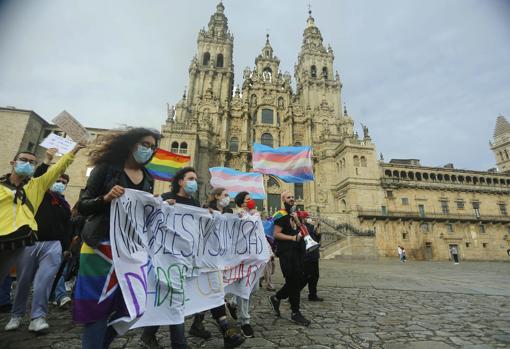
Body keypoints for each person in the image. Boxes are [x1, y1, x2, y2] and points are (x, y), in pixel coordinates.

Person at [73, 128, 168, 349]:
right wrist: (105, 198)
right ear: (131, 144)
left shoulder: (148, 179)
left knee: (135, 306)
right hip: (99, 247)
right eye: (145, 144)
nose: (149, 150)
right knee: (97, 309)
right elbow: (83, 206)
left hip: (130, 252)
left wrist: (159, 207)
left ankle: (102, 342)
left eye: (153, 147)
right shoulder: (106, 169)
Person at [144, 168, 244, 349]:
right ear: (180, 181)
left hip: (190, 258)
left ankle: (219, 331)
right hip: (168, 259)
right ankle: (159, 337)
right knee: (170, 297)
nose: (194, 182)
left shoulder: (195, 203)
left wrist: (211, 218)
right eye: (190, 178)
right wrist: (163, 205)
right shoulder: (166, 197)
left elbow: (198, 229)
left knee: (195, 293)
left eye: (196, 179)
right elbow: (150, 219)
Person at [6, 147, 73, 333]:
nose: (59, 184)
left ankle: (38, 317)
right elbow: (39, 175)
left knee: (44, 282)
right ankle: (16, 315)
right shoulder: (38, 192)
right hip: (31, 242)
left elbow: (67, 228)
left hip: (53, 246)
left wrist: (65, 246)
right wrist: (47, 161)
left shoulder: (64, 204)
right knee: (23, 281)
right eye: (57, 180)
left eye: (63, 182)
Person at [0, 145, 81, 286]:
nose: (27, 164)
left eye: (31, 162)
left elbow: (57, 169)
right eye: (23, 160)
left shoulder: (36, 186)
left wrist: (74, 151)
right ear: (13, 163)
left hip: (17, 240)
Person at [268, 191, 310, 326]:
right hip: (286, 253)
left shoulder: (295, 215)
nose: (291, 199)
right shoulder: (280, 215)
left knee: (299, 280)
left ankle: (276, 297)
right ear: (283, 200)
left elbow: (303, 231)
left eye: (293, 197)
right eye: (288, 197)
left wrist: (298, 221)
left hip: (298, 252)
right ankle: (295, 312)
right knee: (293, 281)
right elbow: (276, 234)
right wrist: (292, 238)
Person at [225, 191, 259, 338]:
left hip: (253, 258)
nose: (251, 201)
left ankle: (232, 302)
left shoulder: (254, 215)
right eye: (248, 199)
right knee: (245, 289)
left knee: (254, 288)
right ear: (241, 202)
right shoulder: (236, 214)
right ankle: (245, 321)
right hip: (241, 259)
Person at [300, 212, 323, 302]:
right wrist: (313, 227)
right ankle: (293, 293)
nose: (310, 219)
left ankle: (312, 295)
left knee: (315, 276)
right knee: (305, 277)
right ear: (304, 218)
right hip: (307, 256)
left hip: (314, 256)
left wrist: (317, 233)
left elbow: (316, 240)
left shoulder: (312, 227)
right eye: (308, 217)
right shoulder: (303, 227)